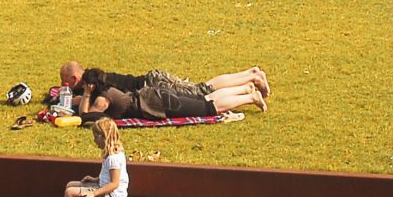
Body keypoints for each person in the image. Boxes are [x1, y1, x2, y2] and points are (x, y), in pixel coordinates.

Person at [76, 74, 264, 122]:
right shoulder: (109, 88)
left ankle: (250, 97)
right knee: (204, 98)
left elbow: (87, 116)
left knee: (209, 108)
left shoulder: (103, 99)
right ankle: (245, 89)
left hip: (158, 103)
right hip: (156, 94)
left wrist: (86, 94)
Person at [58, 62, 270, 104]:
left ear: (74, 79)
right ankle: (247, 84)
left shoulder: (91, 85)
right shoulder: (94, 74)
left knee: (201, 92)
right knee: (201, 91)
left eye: (65, 82)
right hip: (152, 80)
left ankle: (251, 75)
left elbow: (83, 102)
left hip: (155, 85)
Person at [63, 119, 128, 197]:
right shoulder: (112, 154)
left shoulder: (113, 159)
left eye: (95, 137)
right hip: (106, 189)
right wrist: (95, 180)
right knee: (70, 185)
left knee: (70, 193)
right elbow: (110, 177)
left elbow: (114, 184)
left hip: (112, 196)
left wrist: (94, 193)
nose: (94, 140)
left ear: (103, 137)